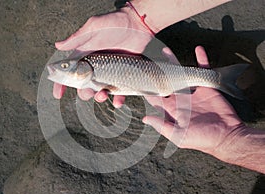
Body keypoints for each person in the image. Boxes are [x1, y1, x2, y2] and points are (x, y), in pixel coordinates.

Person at [53, 0, 265, 174]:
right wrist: (136, 19)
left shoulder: (96, 69)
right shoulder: (95, 70)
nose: (60, 69)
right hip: (160, 79)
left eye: (65, 66)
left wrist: (230, 142)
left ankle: (217, 79)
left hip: (162, 78)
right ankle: (218, 79)